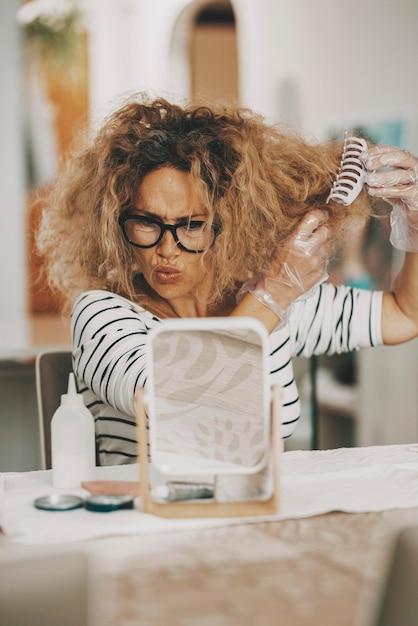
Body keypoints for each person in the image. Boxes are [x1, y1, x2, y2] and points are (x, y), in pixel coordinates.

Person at [37, 94, 418, 466]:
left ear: (232, 225)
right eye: (147, 222)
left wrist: (417, 226)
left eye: (192, 225)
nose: (166, 249)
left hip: (251, 514)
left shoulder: (263, 302)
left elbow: (404, 314)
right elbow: (168, 400)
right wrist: (271, 297)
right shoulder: (102, 314)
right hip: (147, 522)